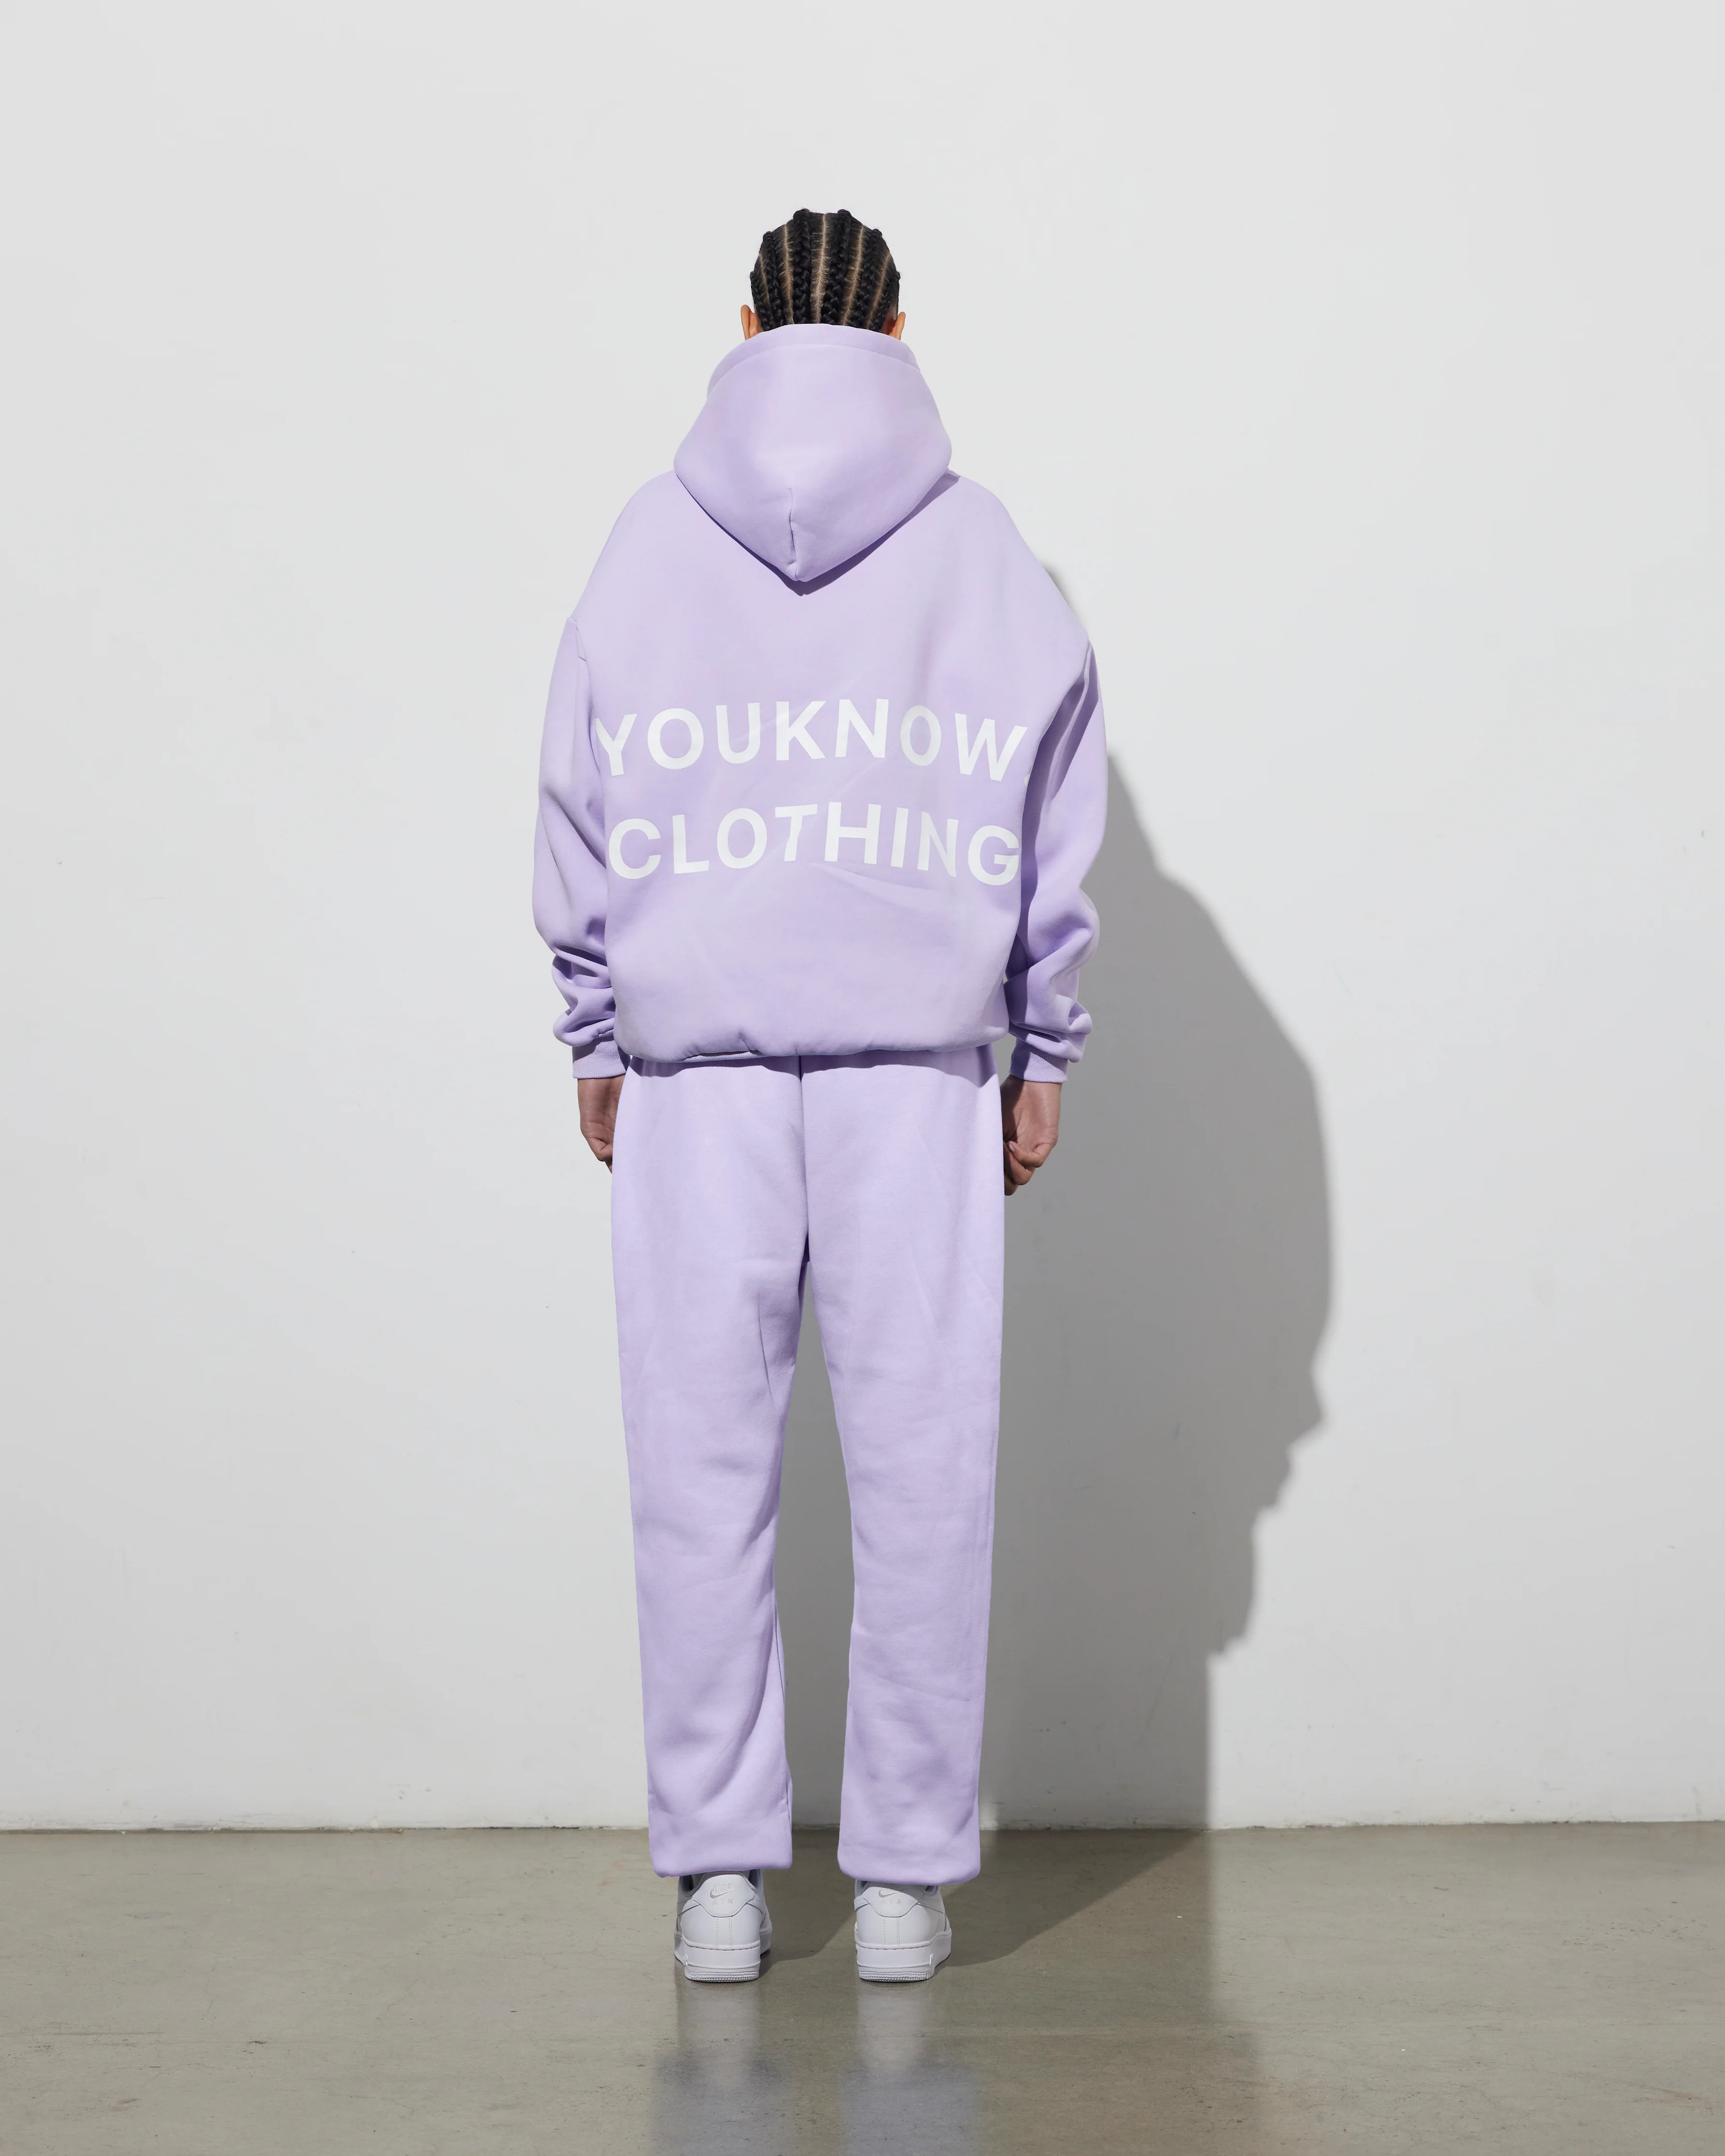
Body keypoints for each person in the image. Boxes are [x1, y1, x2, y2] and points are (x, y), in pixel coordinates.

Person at [533, 208, 1106, 1982]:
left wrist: (597, 1028)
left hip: (694, 1071)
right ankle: (904, 1884)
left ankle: (720, 1878)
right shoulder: (987, 553)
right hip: (913, 1076)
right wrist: (1044, 1042)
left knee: (697, 1476)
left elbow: (577, 791)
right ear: (899, 333)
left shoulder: (644, 544)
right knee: (927, 1477)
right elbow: (1054, 804)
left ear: (747, 325)